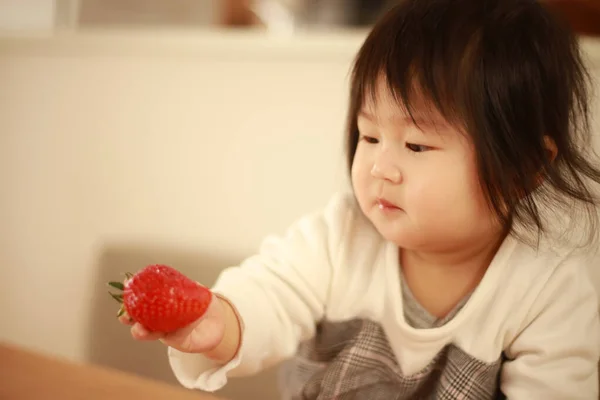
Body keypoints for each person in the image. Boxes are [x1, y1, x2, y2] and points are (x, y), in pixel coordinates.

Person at [119, 0, 600, 398]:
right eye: (369, 136)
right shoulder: (341, 235)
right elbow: (272, 289)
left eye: (416, 146)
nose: (379, 167)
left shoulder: (548, 288)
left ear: (522, 170)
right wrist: (219, 323)